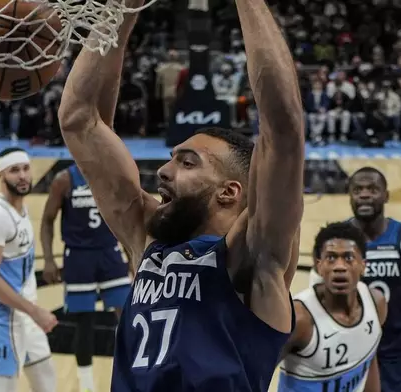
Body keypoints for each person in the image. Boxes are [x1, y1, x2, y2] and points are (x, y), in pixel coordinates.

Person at [58, 0, 305, 389]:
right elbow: (79, 119)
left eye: (187, 163)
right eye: (172, 159)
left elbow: (284, 127)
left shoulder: (253, 257)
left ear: (229, 192)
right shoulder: (147, 241)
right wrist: (121, 11)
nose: (163, 171)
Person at [308, 167, 401, 392]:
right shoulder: (335, 243)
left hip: (396, 362)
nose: (365, 194)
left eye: (372, 189)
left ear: (386, 195)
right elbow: (317, 304)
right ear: (349, 195)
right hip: (348, 359)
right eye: (358, 189)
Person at [40, 163, 132, 392]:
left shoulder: (111, 176)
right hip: (79, 257)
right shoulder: (64, 180)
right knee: (85, 321)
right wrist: (49, 259)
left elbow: (121, 219)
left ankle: (131, 376)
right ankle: (86, 385)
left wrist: (131, 253)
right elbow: (47, 219)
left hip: (109, 253)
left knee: (127, 317)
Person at [0, 147, 58, 392]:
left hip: (23, 314)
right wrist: (35, 311)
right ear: (1, 175)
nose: (22, 176)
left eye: (25, 169)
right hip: (2, 315)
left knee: (46, 380)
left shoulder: (19, 209)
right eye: (14, 171)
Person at [279, 221, 387, 392]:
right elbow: (255, 372)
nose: (339, 267)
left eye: (349, 257)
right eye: (331, 258)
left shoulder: (376, 303)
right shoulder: (300, 320)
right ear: (319, 266)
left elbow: (369, 359)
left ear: (363, 265)